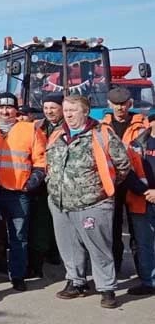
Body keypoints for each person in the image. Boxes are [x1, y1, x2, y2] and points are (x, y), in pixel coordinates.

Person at [47, 95, 130, 309]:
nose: (68, 114)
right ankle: (76, 282)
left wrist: (101, 190)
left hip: (92, 204)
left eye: (73, 110)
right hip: (60, 202)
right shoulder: (57, 134)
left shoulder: (102, 134)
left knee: (99, 248)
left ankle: (107, 288)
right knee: (68, 246)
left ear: (86, 111)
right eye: (66, 110)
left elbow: (122, 165)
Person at [0, 93, 47, 291]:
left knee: (19, 236)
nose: (5, 111)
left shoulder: (29, 129)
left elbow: (41, 160)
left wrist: (33, 182)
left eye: (9, 108)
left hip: (18, 192)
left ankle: (18, 275)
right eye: (1, 108)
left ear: (16, 110)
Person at [102, 86, 148, 276]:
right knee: (111, 232)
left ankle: (144, 274)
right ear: (109, 104)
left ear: (130, 103)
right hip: (112, 185)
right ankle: (115, 270)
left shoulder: (144, 126)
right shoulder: (101, 127)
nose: (120, 108)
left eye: (123, 104)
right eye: (116, 104)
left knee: (139, 233)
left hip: (136, 184)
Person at [27, 92, 65, 277]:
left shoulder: (69, 127)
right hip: (42, 183)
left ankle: (57, 253)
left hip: (63, 183)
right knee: (41, 223)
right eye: (46, 107)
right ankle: (38, 263)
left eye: (53, 107)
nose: (49, 111)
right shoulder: (37, 126)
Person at [125, 115, 155, 295]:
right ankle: (149, 282)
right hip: (141, 200)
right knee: (144, 244)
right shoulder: (136, 144)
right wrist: (145, 192)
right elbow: (126, 170)